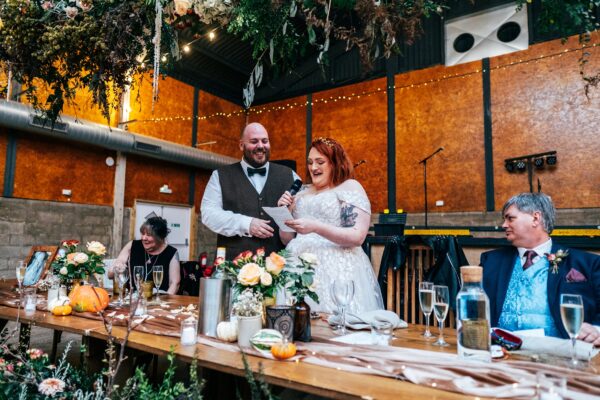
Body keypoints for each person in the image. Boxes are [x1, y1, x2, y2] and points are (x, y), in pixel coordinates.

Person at [277, 137, 384, 314]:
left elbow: (357, 236)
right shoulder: (302, 192)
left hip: (336, 272)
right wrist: (285, 213)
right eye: (310, 162)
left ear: (335, 163)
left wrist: (316, 227)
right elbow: (286, 238)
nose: (313, 168)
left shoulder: (349, 187)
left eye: (320, 162)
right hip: (297, 270)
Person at [480, 193, 600, 346]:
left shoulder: (587, 264)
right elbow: (472, 305)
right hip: (500, 352)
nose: (504, 225)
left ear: (535, 218)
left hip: (561, 355)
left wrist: (596, 331)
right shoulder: (491, 262)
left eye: (510, 218)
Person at [201, 122, 298, 258]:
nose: (260, 146)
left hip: (280, 266)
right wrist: (246, 224)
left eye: (265, 141)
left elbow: (303, 213)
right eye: (254, 141)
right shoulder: (220, 175)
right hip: (235, 266)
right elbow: (208, 214)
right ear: (241, 145)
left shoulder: (290, 175)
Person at [111, 216, 180, 295]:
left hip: (158, 300)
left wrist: (164, 303)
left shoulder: (171, 252)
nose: (144, 238)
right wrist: (117, 267)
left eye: (149, 235)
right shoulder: (133, 245)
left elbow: (175, 283)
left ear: (160, 237)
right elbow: (111, 273)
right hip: (131, 299)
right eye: (143, 234)